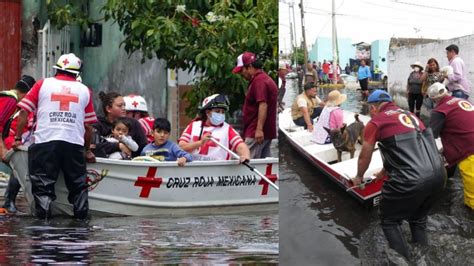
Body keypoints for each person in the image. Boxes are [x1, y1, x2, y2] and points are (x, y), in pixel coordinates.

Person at [353, 89, 445, 258]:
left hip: (411, 179)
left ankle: (403, 261)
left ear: (373, 108)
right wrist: (383, 171)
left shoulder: (376, 122)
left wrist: (359, 177)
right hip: (439, 174)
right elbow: (404, 149)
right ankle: (423, 256)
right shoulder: (411, 116)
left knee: (389, 220)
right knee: (418, 219)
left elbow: (364, 156)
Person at [14, 53, 98, 219]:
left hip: (45, 142)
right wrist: (87, 151)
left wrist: (17, 139)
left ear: (57, 69)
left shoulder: (42, 84)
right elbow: (88, 127)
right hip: (73, 143)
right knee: (78, 187)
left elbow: (24, 111)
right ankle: (81, 225)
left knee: (42, 187)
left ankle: (43, 227)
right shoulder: (84, 90)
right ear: (77, 73)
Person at [428, 82, 474, 209]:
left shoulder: (439, 111)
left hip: (469, 150)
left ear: (433, 99)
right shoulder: (461, 101)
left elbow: (430, 136)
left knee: (472, 196)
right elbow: (460, 125)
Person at [0, 75, 36, 213]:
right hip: (8, 141)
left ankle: (9, 201)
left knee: (17, 166)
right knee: (18, 164)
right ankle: (9, 201)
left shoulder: (8, 99)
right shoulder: (11, 99)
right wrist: (2, 148)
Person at [178, 94, 250, 162]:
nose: (221, 114)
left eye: (223, 112)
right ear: (207, 112)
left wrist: (245, 156)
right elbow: (181, 148)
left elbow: (240, 145)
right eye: (217, 111)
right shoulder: (193, 126)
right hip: (193, 171)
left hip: (218, 172)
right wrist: (200, 143)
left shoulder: (227, 129)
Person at [232, 52, 277, 159]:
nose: (242, 74)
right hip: (263, 131)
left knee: (246, 162)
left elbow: (263, 104)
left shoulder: (259, 81)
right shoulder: (265, 79)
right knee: (262, 164)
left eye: (242, 70)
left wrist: (259, 129)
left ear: (250, 67)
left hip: (256, 133)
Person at [92, 91, 148, 158]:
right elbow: (93, 146)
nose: (124, 108)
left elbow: (143, 148)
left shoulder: (134, 123)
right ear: (108, 109)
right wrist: (119, 146)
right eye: (120, 106)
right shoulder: (97, 124)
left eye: (124, 105)